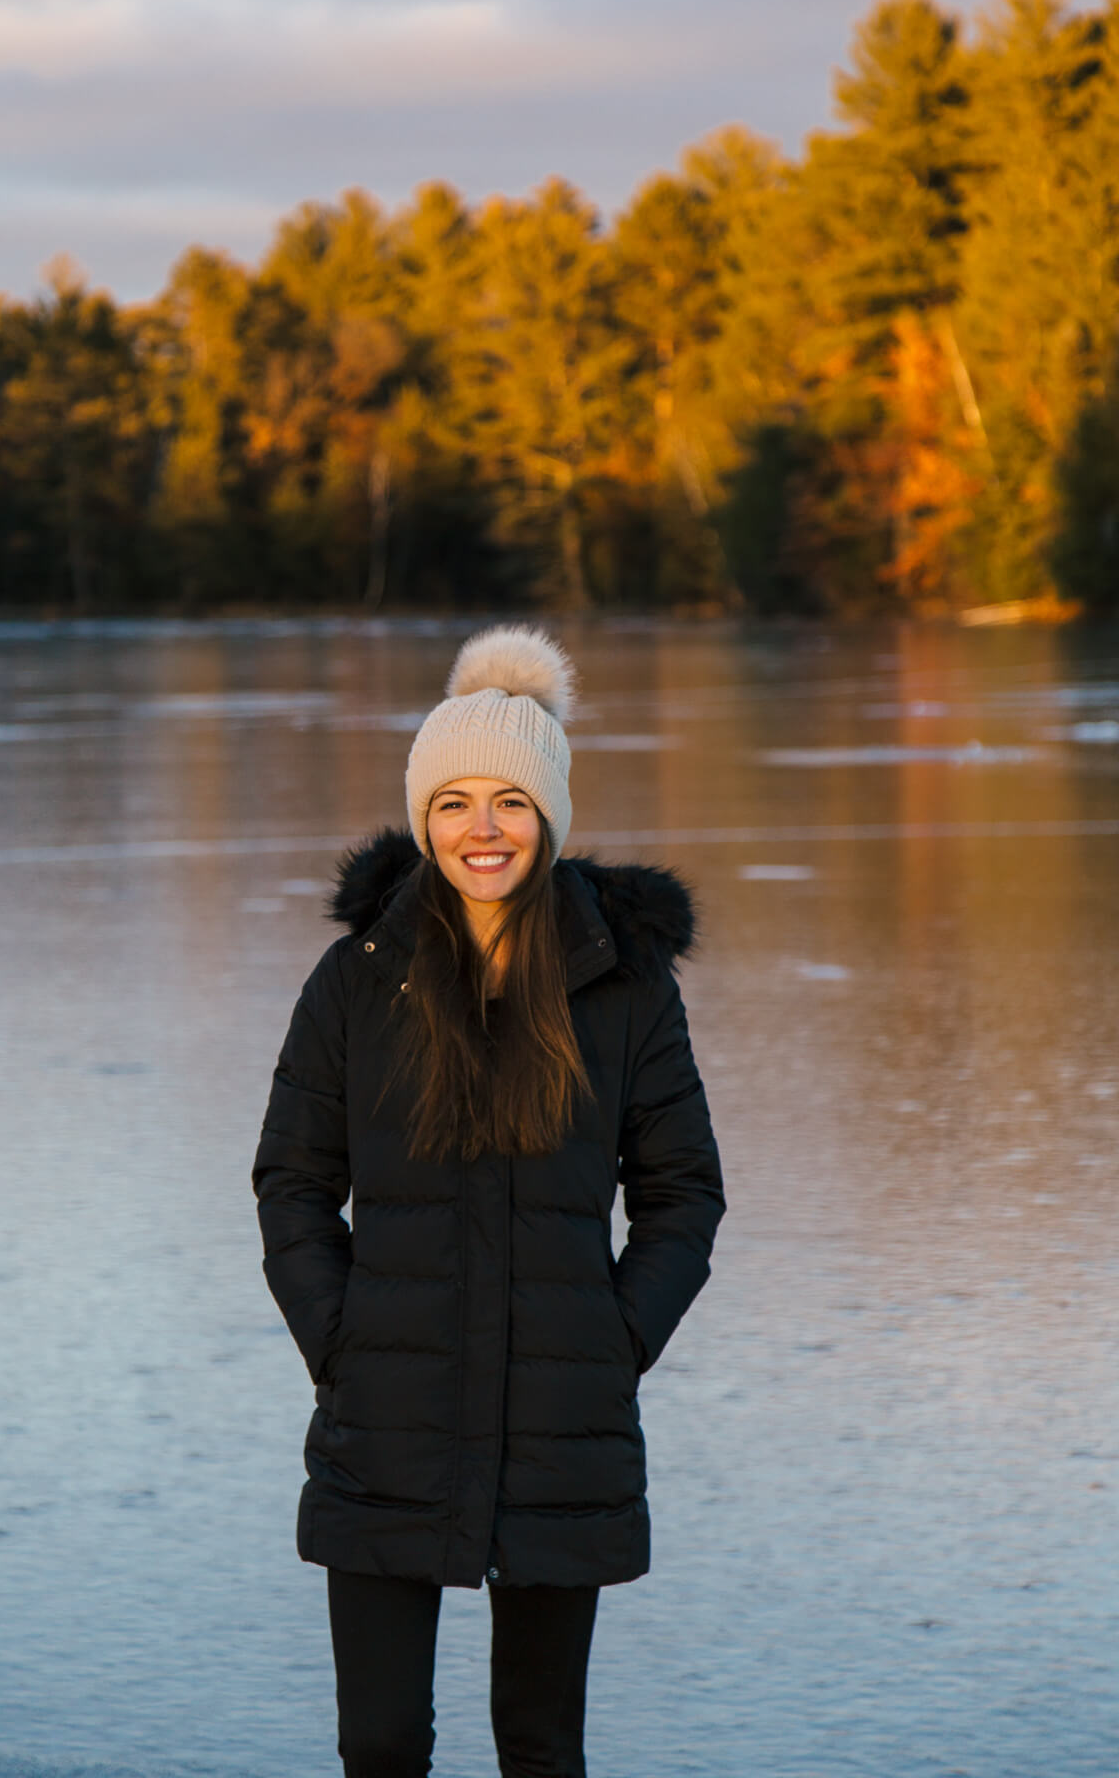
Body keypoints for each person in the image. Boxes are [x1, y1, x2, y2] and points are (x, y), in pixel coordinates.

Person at [252, 624, 725, 1778]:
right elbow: (293, 1181)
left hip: (561, 1419)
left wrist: (612, 1341)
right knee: (378, 1745)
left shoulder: (621, 987)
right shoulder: (360, 977)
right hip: (386, 1410)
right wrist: (340, 1337)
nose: (480, 829)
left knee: (539, 1745)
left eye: (508, 802)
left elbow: (681, 1191)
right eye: (454, 801)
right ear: (423, 818)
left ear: (546, 815)